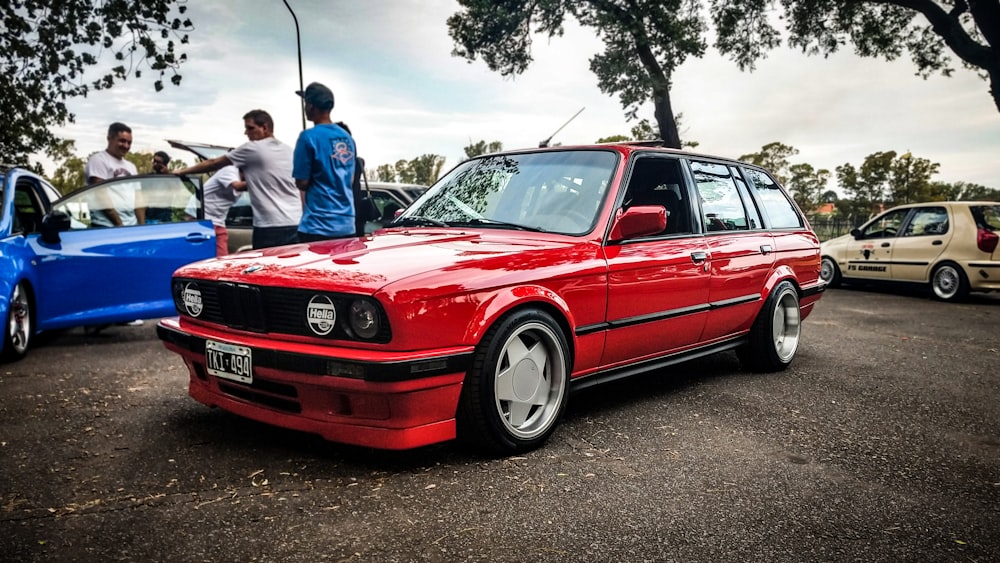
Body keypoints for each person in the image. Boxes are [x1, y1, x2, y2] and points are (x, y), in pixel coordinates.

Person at [173, 110, 301, 249]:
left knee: (265, 269)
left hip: (270, 226)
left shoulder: (253, 148)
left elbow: (214, 163)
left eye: (250, 128)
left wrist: (182, 171)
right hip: (296, 222)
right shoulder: (289, 151)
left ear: (264, 127)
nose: (246, 133)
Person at [292, 82, 357, 242]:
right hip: (347, 225)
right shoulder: (348, 138)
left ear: (311, 107)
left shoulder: (308, 137)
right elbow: (351, 179)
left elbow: (302, 182)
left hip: (317, 225)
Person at [84, 122, 145, 227]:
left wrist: (142, 226)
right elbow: (101, 196)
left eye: (129, 143)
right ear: (109, 138)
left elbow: (138, 199)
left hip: (131, 225)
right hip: (106, 226)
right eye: (122, 141)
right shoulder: (99, 160)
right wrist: (119, 225)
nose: (126, 146)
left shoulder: (131, 167)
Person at [184, 165, 246, 256]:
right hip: (199, 218)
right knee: (197, 257)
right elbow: (237, 186)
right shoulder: (229, 171)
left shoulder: (242, 179)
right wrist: (261, 181)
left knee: (222, 258)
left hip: (218, 221)